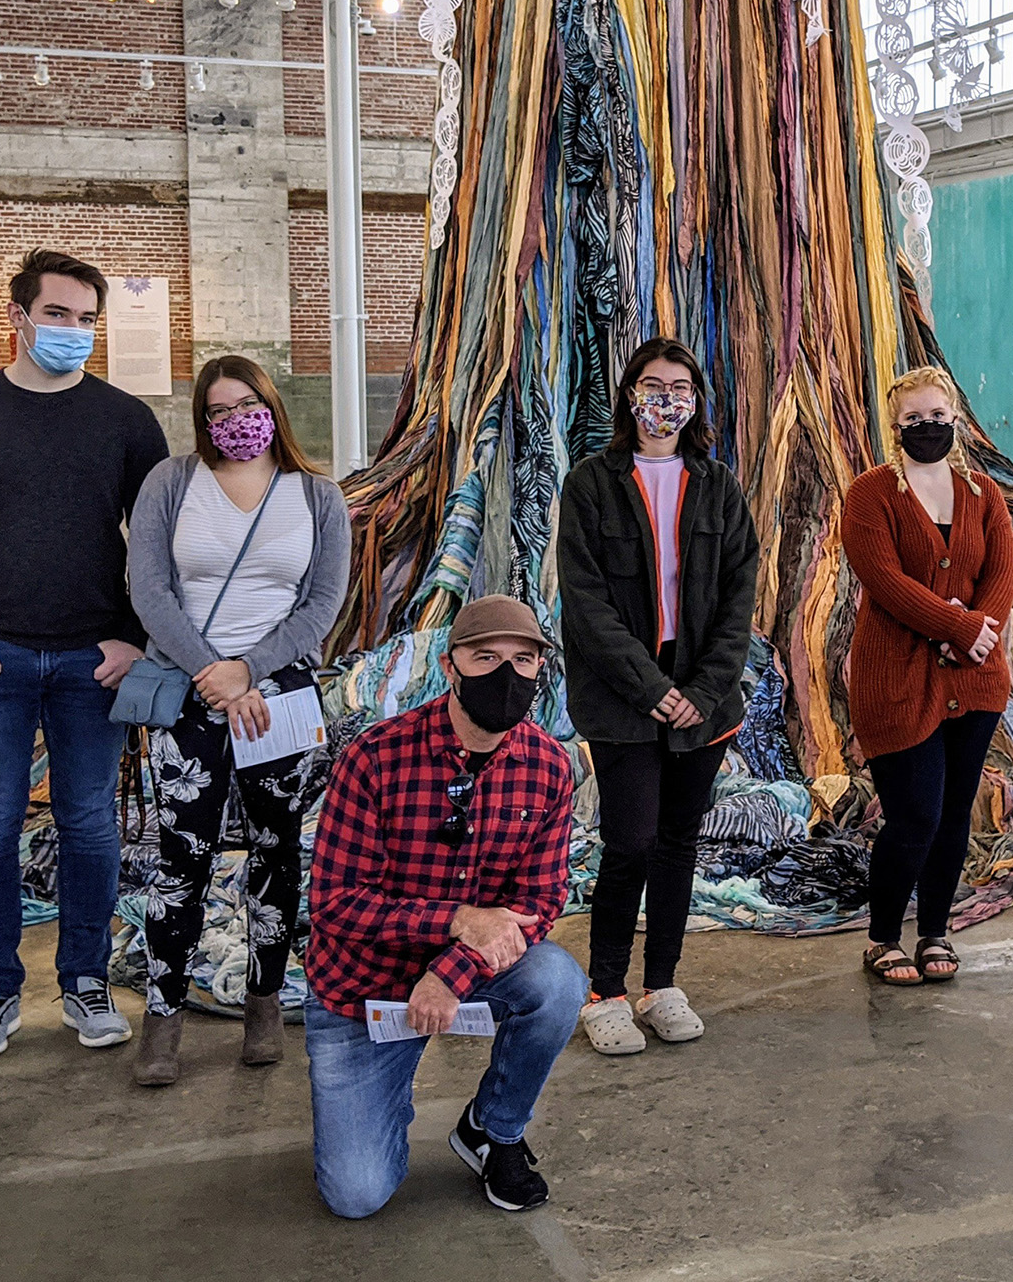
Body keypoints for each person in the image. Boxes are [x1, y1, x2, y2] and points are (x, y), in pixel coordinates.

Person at [0, 249, 168, 1060]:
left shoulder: (125, 421)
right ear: (18, 317)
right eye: (58, 316)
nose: (74, 333)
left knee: (89, 827)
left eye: (87, 321)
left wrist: (135, 638)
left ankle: (83, 981)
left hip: (93, 664)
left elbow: (155, 545)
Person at [302, 595, 589, 1217]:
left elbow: (538, 900)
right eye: (485, 657)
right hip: (364, 989)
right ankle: (381, 1092)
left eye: (523, 659)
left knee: (558, 981)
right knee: (356, 1195)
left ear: (542, 669)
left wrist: (449, 970)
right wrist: (457, 920)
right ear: (450, 665)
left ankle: (494, 1128)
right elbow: (333, 904)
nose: (504, 675)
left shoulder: (547, 767)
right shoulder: (376, 756)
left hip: (466, 977)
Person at [124, 355, 351, 1085]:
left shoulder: (316, 495)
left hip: (279, 696)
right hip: (189, 692)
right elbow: (148, 587)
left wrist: (249, 670)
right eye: (219, 410)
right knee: (181, 857)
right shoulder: (171, 483)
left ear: (273, 406)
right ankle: (162, 1021)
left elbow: (322, 603)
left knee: (276, 851)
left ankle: (261, 1002)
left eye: (247, 404)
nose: (235, 420)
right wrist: (213, 675)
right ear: (202, 419)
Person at [555, 338, 759, 1055]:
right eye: (652, 384)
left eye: (679, 386)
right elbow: (584, 606)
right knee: (630, 842)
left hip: (704, 696)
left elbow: (739, 597)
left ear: (696, 400)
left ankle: (661, 983)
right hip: (624, 698)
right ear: (630, 396)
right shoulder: (590, 483)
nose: (665, 397)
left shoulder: (718, 485)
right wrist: (654, 690)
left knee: (678, 844)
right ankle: (604, 990)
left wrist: (701, 691)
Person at [840, 365, 1013, 987]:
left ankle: (936, 930)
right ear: (895, 427)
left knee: (954, 815)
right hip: (895, 678)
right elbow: (885, 582)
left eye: (938, 416)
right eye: (914, 419)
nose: (928, 427)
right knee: (915, 814)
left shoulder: (982, 494)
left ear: (956, 418)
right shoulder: (869, 494)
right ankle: (883, 936)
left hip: (975, 681)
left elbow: (1001, 578)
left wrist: (981, 632)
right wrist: (959, 628)